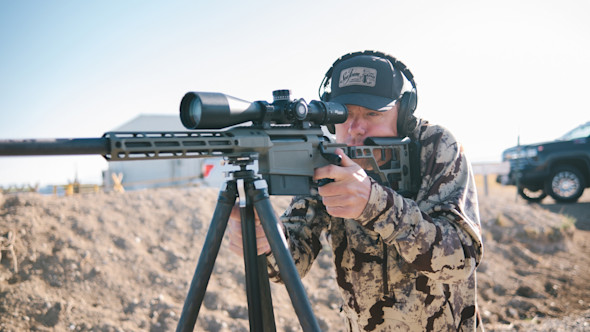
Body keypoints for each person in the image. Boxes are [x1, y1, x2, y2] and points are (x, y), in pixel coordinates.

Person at [228, 51, 484, 331]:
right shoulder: (326, 158)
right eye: (344, 114)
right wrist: (265, 242)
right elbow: (294, 261)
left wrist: (375, 204)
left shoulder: (437, 147)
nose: (355, 128)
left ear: (403, 114)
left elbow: (461, 259)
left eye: (372, 114)